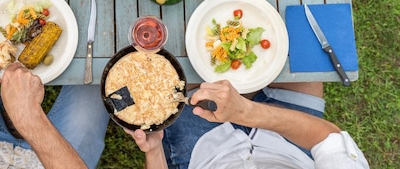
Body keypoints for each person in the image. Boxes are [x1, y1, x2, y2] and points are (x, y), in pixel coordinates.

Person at [128, 80, 369, 168]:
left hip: (205, 151)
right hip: (293, 143)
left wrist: (155, 150)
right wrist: (246, 111)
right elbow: (327, 139)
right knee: (298, 46)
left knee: (169, 67)